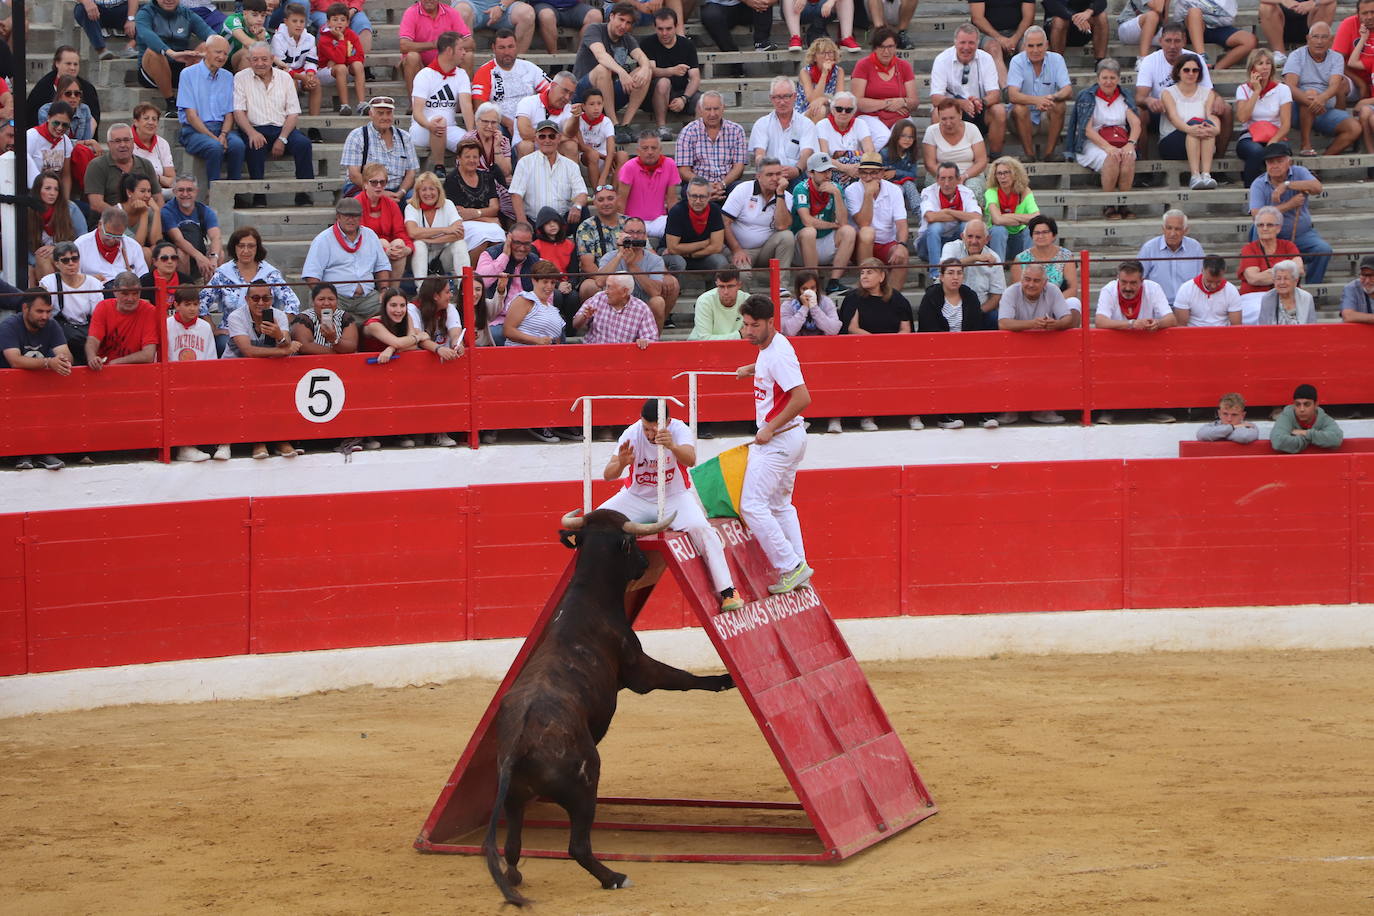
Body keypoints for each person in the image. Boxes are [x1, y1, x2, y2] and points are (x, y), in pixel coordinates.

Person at [600, 399, 741, 611]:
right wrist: (621, 463)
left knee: (701, 528)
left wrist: (672, 445)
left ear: (667, 422)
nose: (648, 434)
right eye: (646, 428)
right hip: (636, 498)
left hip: (675, 497)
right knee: (597, 521)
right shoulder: (632, 432)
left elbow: (691, 460)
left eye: (654, 429)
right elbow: (607, 475)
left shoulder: (679, 429)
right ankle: (597, 590)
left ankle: (728, 591)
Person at [736, 294, 813, 595]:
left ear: (771, 322)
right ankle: (799, 566)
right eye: (745, 325)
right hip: (791, 437)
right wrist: (751, 369)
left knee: (752, 505)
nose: (749, 331)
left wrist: (769, 427)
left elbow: (803, 398)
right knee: (780, 506)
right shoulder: (771, 346)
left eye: (755, 325)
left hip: (779, 440)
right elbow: (774, 369)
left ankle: (792, 567)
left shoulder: (776, 353)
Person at [916, 259, 996, 429]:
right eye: (951, 273)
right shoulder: (931, 297)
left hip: (967, 349)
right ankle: (946, 415)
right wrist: (950, 348)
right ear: (941, 276)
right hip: (937, 350)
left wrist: (966, 348)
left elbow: (976, 328)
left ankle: (984, 414)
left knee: (984, 364)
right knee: (945, 367)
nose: (955, 277)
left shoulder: (970, 296)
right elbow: (928, 328)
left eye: (959, 273)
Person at [1134, 21, 1233, 158]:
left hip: (1193, 109)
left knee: (1226, 108)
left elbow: (1208, 91)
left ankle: (1218, 161)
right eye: (1168, 41)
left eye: (1177, 41)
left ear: (1184, 41)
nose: (1172, 46)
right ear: (1161, 41)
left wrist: (1218, 99)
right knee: (1140, 112)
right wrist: (1149, 100)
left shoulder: (1195, 59)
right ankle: (1144, 164)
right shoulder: (1150, 61)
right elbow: (1139, 97)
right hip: (1162, 111)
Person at [1, 291, 72, 471]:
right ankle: (25, 453)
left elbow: (67, 356)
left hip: (38, 392)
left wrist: (61, 360)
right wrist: (49, 363)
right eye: (40, 311)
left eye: (48, 311)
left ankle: (42, 453)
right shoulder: (9, 326)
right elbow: (15, 361)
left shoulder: (52, 325)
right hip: (9, 393)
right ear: (25, 308)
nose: (45, 316)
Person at [233, 43, 316, 196]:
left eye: (264, 59)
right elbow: (238, 111)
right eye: (255, 59)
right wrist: (251, 133)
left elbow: (293, 113)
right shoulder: (240, 78)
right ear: (249, 60)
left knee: (304, 144)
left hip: (283, 128)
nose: (259, 63)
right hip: (255, 127)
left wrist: (282, 138)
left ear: (272, 59)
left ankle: (304, 193)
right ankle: (259, 196)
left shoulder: (285, 78)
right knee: (254, 145)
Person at [201, 226, 299, 352]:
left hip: (266, 332)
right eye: (241, 246)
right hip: (230, 332)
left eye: (251, 246)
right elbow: (201, 302)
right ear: (234, 247)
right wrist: (213, 328)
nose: (246, 250)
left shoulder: (270, 274)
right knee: (222, 344)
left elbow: (293, 303)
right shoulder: (222, 274)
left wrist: (279, 328)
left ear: (257, 248)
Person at [1246, 143, 1331, 286]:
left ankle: (1311, 291)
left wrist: (1287, 185)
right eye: (1270, 162)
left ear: (1289, 162)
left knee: (1323, 250)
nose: (1274, 165)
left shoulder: (1299, 172)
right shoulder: (1259, 183)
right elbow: (1256, 215)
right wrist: (1289, 205)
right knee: (1257, 229)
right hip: (1273, 236)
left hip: (1301, 235)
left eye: (1279, 161)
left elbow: (1317, 187)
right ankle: (1263, 285)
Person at [301, 198, 392, 320]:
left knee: (393, 308)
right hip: (337, 297)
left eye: (355, 216)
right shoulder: (323, 239)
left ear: (360, 217)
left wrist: (384, 290)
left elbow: (382, 266)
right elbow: (311, 275)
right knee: (326, 312)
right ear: (338, 216)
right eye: (346, 216)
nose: (351, 219)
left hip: (368, 297)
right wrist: (326, 297)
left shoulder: (370, 235)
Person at [1074, 59, 1141, 219]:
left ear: (1118, 79)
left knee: (1128, 156)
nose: (1108, 82)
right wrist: (1107, 147)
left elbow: (1136, 123)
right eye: (1104, 78)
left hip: (1120, 140)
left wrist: (1131, 144)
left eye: (1112, 78)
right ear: (1098, 79)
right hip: (1093, 142)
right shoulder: (1088, 96)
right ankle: (1108, 204)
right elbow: (1087, 130)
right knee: (1111, 157)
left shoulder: (1124, 96)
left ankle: (1123, 203)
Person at [1283, 22, 1362, 156]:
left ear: (1331, 40)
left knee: (1354, 128)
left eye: (1324, 37)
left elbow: (1335, 85)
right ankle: (1305, 144)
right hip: (1298, 110)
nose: (1319, 41)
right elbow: (1289, 86)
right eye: (1316, 37)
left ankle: (1325, 159)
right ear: (1308, 38)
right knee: (1310, 94)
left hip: (1326, 110)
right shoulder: (1296, 55)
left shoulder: (1336, 58)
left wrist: (1321, 99)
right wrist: (1313, 102)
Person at [574, 3, 652, 137]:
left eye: (628, 23)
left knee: (646, 71)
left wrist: (645, 67)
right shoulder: (595, 29)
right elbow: (601, 55)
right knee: (603, 69)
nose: (623, 26)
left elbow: (641, 56)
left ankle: (625, 125)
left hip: (607, 95)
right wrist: (622, 72)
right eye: (621, 20)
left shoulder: (626, 38)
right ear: (611, 16)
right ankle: (614, 124)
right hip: (584, 92)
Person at [929, 23, 1007, 157]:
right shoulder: (942, 59)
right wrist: (960, 103)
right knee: (937, 112)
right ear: (955, 43)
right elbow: (936, 98)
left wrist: (981, 102)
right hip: (953, 110)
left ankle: (995, 158)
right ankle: (946, 158)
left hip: (979, 109)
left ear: (977, 44)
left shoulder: (986, 58)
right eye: (962, 42)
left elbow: (995, 94)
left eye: (971, 43)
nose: (966, 47)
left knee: (999, 110)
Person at [176, 36, 244, 187]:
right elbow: (191, 115)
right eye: (218, 52)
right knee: (215, 147)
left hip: (222, 128)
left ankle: (234, 192)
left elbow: (229, 113)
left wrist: (224, 134)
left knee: (238, 145)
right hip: (195, 130)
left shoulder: (227, 76)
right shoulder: (188, 74)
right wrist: (214, 137)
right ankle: (213, 193)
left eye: (225, 54)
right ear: (206, 51)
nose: (222, 57)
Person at [791, 152, 856, 298]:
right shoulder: (801, 188)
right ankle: (813, 284)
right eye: (822, 171)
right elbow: (807, 221)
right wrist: (833, 225)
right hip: (802, 247)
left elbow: (843, 222)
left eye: (829, 170)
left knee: (848, 231)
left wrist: (838, 196)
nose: (827, 175)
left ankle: (834, 282)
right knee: (809, 231)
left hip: (824, 242)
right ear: (810, 173)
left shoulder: (835, 188)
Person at [723, 158, 796, 283]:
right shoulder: (743, 190)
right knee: (743, 276)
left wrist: (779, 194)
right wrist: (736, 250)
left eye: (778, 174)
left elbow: (782, 225)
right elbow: (725, 222)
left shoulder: (785, 196)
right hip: (740, 248)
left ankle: (781, 288)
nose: (775, 178)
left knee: (787, 236)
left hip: (766, 249)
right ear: (758, 176)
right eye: (769, 175)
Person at [409, 30, 473, 173]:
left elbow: (466, 106)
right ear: (449, 51)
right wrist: (429, 125)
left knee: (472, 145)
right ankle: (439, 166)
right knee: (440, 122)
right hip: (422, 128)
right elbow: (417, 113)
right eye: (461, 49)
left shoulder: (461, 74)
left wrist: (471, 134)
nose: (464, 52)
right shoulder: (425, 75)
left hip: (449, 128)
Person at [595, 217, 677, 328]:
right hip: (614, 307)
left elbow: (656, 292)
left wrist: (632, 265)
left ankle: (653, 341)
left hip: (643, 309)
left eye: (639, 232)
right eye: (630, 232)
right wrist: (620, 254)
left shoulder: (655, 260)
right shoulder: (610, 257)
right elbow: (599, 282)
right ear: (622, 234)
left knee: (658, 302)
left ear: (645, 236)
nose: (635, 236)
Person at [1005, 26, 1071, 163]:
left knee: (1059, 106)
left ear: (1047, 45)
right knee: (1019, 108)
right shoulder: (1017, 61)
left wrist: (1052, 98)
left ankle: (1049, 153)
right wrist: (1037, 101)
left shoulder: (1057, 59)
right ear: (1024, 46)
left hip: (1045, 115)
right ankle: (1029, 155)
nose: (1035, 50)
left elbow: (1067, 90)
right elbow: (1012, 95)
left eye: (1039, 45)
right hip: (1020, 119)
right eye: (1031, 46)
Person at [136, 0, 213, 116]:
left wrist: (202, 54)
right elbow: (147, 35)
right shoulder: (145, 13)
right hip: (152, 71)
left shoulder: (187, 13)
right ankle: (171, 103)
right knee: (153, 51)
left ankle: (196, 99)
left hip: (181, 67)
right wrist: (170, 53)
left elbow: (210, 34)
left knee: (207, 46)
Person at [509, 118, 589, 226]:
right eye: (542, 136)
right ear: (536, 138)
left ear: (559, 138)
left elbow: (582, 193)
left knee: (583, 210)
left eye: (552, 136)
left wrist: (577, 206)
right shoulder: (525, 163)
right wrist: (522, 222)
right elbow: (516, 194)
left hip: (563, 222)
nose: (547, 140)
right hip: (536, 222)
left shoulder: (571, 166)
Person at [1159, 53, 1220, 190]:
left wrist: (1216, 129)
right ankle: (1194, 176)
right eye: (1186, 70)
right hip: (1172, 141)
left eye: (1195, 70)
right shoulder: (1167, 93)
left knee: (1207, 126)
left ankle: (1206, 175)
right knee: (1196, 125)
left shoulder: (1208, 92)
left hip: (1199, 139)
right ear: (1178, 72)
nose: (1191, 73)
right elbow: (1174, 118)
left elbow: (1211, 115)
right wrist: (1190, 129)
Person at [470, 29, 549, 135]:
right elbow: (480, 106)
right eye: (501, 48)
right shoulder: (484, 71)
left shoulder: (530, 68)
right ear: (493, 48)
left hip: (530, 121)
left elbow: (550, 92)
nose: (507, 52)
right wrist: (507, 122)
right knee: (492, 128)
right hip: (501, 124)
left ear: (516, 46)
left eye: (510, 47)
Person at [340, 96, 419, 199]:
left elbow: (411, 173)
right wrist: (381, 193)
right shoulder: (357, 136)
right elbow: (354, 175)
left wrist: (401, 192)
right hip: (365, 187)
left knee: (415, 199)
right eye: (380, 113)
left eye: (389, 113)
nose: (385, 117)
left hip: (397, 191)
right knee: (362, 200)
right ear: (371, 114)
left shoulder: (405, 137)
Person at [851, 28, 918, 149]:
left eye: (890, 46)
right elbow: (858, 102)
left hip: (898, 115)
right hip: (870, 115)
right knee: (884, 137)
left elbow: (914, 102)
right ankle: (866, 163)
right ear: (875, 48)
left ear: (896, 46)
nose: (886, 51)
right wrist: (887, 103)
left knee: (905, 138)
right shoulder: (863, 65)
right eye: (882, 47)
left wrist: (902, 101)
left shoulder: (904, 66)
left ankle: (899, 167)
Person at [1235, 48, 1293, 186]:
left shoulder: (1282, 89)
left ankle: (1280, 193)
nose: (1265, 67)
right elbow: (1242, 118)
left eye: (1268, 63)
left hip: (1276, 134)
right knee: (1256, 152)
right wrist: (1256, 91)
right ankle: (1250, 193)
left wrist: (1272, 142)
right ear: (1252, 67)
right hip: (1250, 136)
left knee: (1276, 152)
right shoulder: (1243, 89)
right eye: (1260, 63)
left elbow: (1285, 125)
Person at [675, 92, 747, 202]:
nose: (712, 114)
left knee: (742, 190)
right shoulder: (688, 132)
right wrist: (706, 186)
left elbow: (739, 167)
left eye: (716, 109)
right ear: (700, 109)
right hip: (698, 185)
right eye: (708, 109)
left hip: (726, 185)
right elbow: (684, 170)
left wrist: (722, 185)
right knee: (689, 191)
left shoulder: (736, 130)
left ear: (723, 108)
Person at [39, 241, 103, 365]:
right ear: (57, 264)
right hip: (60, 332)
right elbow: (45, 313)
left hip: (87, 332)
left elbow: (98, 316)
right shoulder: (48, 282)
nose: (71, 264)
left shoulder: (93, 283)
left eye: (75, 259)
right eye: (65, 260)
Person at [476, 222, 540, 345]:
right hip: (498, 318)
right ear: (508, 239)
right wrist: (504, 256)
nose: (522, 248)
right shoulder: (490, 254)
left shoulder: (534, 259)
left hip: (528, 319)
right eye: (517, 243)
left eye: (526, 244)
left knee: (557, 329)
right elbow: (481, 282)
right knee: (496, 334)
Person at [640, 9, 700, 139]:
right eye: (660, 29)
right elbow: (650, 71)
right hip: (653, 94)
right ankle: (662, 127)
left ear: (676, 27)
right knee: (663, 82)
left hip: (680, 93)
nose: (664, 33)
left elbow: (695, 77)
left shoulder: (687, 45)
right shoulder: (648, 43)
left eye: (668, 28)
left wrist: (684, 98)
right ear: (654, 27)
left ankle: (699, 136)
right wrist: (671, 71)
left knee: (705, 101)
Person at [1239, 204, 1304, 323]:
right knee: (1262, 311)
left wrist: (1269, 273)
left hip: (1286, 295)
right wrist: (1285, 274)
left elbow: (1299, 270)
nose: (1264, 228)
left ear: (1278, 228)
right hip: (1255, 297)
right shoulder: (1249, 249)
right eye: (1260, 225)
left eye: (1269, 225)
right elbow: (1254, 279)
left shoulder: (1288, 246)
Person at [915, 160, 978, 282]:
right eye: (943, 179)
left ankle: (964, 270)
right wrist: (962, 215)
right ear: (937, 179)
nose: (946, 183)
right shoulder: (928, 191)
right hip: (927, 245)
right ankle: (936, 274)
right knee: (935, 227)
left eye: (951, 178)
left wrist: (949, 212)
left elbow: (976, 217)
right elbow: (931, 217)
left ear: (958, 179)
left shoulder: (966, 192)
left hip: (954, 242)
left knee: (967, 226)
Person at [445, 139, 508, 260]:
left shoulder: (486, 176)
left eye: (475, 157)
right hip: (465, 225)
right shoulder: (452, 179)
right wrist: (488, 218)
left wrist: (475, 213)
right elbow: (459, 214)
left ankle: (493, 273)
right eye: (467, 156)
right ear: (459, 158)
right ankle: (472, 274)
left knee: (498, 237)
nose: (472, 160)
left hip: (486, 222)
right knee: (482, 238)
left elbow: (495, 208)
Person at [403, 0, 480, 96]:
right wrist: (433, 45)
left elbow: (470, 43)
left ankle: (464, 101)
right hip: (422, 64)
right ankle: (414, 104)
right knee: (412, 57)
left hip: (449, 62)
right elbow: (404, 46)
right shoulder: (411, 12)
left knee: (468, 56)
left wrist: (448, 46)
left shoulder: (451, 12)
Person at [85, 271, 160, 370]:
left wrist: (116, 362)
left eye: (135, 293)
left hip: (136, 371)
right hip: (103, 370)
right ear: (115, 291)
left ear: (140, 292)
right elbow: (93, 339)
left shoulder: (150, 311)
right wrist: (92, 358)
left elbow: (148, 354)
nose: (130, 298)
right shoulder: (103, 307)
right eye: (125, 293)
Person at [939, 219, 1004, 330]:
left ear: (987, 239)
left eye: (978, 237)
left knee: (995, 317)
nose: (973, 241)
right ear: (962, 237)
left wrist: (977, 312)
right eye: (969, 236)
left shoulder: (994, 258)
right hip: (947, 308)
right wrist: (975, 258)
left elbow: (997, 295)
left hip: (979, 311)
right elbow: (944, 267)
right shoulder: (950, 247)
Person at [83, 124, 161, 217]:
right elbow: (96, 204)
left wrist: (157, 218)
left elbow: (158, 198)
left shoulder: (146, 164)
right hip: (109, 222)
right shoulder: (97, 166)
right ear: (109, 144)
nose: (123, 145)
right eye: (117, 141)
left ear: (133, 142)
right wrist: (124, 219)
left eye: (126, 140)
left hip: (142, 218)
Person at [750, 77, 818, 183]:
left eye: (786, 96)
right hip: (769, 176)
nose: (782, 102)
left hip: (797, 175)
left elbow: (807, 153)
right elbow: (759, 154)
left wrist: (797, 170)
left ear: (795, 96)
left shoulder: (806, 124)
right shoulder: (761, 124)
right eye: (777, 97)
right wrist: (772, 171)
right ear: (771, 98)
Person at [356, 162, 415, 278]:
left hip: (390, 249)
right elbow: (360, 237)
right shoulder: (357, 203)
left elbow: (400, 232)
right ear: (365, 184)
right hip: (362, 249)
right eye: (374, 182)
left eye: (382, 182)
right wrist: (383, 249)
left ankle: (393, 291)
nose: (378, 186)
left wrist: (407, 249)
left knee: (399, 244)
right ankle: (384, 289)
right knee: (382, 242)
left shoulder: (391, 205)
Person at [405, 170, 468, 279]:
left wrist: (429, 240)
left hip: (442, 257)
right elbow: (412, 232)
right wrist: (446, 230)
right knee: (419, 244)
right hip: (416, 257)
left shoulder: (448, 204)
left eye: (432, 189)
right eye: (424, 189)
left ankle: (465, 288)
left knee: (460, 244)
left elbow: (459, 234)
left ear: (438, 191)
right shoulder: (411, 207)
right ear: (418, 192)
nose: (428, 193)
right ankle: (421, 289)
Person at [1010, 215, 1080, 313]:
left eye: (1045, 232)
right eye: (1037, 233)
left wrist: (1052, 304)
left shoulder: (1066, 256)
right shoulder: (1020, 259)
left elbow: (1072, 289)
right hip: (1029, 306)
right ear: (1031, 236)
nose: (1041, 236)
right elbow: (1018, 290)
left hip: (1058, 305)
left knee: (1074, 302)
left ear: (1054, 235)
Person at [27, 171, 87, 285]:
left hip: (67, 257)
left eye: (56, 189)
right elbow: (22, 245)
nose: (52, 193)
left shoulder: (71, 209)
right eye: (48, 188)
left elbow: (83, 239)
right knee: (34, 267)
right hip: (36, 260)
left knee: (43, 259)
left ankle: (53, 299)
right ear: (38, 190)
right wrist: (33, 263)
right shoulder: (28, 212)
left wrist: (57, 248)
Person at [922, 100, 988, 199]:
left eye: (952, 118)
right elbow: (930, 164)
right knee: (938, 190)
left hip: (970, 174)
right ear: (939, 117)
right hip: (940, 174)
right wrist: (948, 178)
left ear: (960, 115)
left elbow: (981, 161)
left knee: (972, 189)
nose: (948, 123)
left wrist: (964, 176)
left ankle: (972, 214)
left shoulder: (972, 129)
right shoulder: (931, 131)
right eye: (944, 119)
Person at [1138, 209, 1205, 308]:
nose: (1173, 233)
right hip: (1158, 306)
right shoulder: (1149, 248)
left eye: (1177, 229)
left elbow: (1202, 278)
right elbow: (1139, 278)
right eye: (1169, 228)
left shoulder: (1195, 247)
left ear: (1185, 230)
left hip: (1189, 306)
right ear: (1163, 229)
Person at [663, 177, 730, 274]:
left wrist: (691, 254)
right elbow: (672, 248)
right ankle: (675, 289)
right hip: (672, 255)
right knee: (678, 262)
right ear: (687, 195)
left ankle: (714, 289)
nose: (698, 201)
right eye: (694, 196)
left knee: (720, 261)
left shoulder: (715, 210)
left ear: (709, 196)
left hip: (700, 255)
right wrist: (704, 243)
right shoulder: (677, 211)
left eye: (702, 197)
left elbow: (716, 247)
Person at [161, 174, 221, 281]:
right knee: (182, 254)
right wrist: (199, 256)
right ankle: (186, 288)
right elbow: (178, 240)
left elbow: (216, 236)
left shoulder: (205, 211)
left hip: (198, 247)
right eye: (180, 190)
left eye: (189, 190)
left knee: (220, 253)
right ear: (174, 192)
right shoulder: (167, 211)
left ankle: (211, 288)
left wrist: (213, 257)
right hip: (176, 251)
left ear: (196, 192)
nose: (185, 194)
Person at [617, 132, 676, 239]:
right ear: (638, 151)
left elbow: (672, 200)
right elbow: (621, 201)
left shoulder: (670, 164)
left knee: (677, 226)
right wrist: (620, 229)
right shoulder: (629, 167)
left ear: (660, 150)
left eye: (654, 148)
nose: (650, 152)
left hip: (659, 221)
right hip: (633, 221)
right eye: (645, 148)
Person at [573, 272, 658, 346]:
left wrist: (644, 341)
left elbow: (651, 338)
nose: (606, 291)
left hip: (624, 358)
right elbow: (575, 325)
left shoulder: (641, 309)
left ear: (624, 292)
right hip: (595, 354)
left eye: (610, 287)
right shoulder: (599, 298)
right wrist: (584, 316)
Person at [814, 91, 876, 189]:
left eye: (848, 110)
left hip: (858, 170)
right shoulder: (822, 125)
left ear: (853, 112)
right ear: (832, 110)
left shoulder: (860, 124)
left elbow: (871, 152)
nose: (843, 113)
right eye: (839, 109)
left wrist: (856, 169)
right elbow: (823, 157)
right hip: (831, 170)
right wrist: (846, 169)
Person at [1174, 0, 1257, 72]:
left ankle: (1216, 69)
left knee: (1249, 40)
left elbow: (1228, 16)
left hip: (1218, 27)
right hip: (1193, 27)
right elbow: (1180, 14)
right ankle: (1201, 58)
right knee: (1194, 12)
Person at [317, 2, 369, 115]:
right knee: (340, 67)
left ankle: (362, 103)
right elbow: (339, 60)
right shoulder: (324, 39)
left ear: (348, 22)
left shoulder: (352, 35)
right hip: (325, 72)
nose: (339, 22)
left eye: (342, 19)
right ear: (328, 22)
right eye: (335, 19)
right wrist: (341, 39)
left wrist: (344, 61)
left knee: (358, 65)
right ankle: (344, 105)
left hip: (344, 69)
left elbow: (359, 55)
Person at [983, 156, 1038, 261]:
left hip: (1019, 240)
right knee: (999, 230)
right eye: (999, 173)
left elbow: (1037, 218)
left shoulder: (1025, 191)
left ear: (1015, 174)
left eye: (1006, 172)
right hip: (998, 242)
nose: (1003, 177)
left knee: (1031, 228)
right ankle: (998, 269)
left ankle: (1028, 269)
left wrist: (1008, 216)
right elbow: (997, 220)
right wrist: (1022, 220)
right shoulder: (991, 192)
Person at [502, 260, 566, 350]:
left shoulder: (555, 311)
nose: (549, 286)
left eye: (552, 282)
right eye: (545, 281)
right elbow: (508, 330)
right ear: (534, 281)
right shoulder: (524, 299)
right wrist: (537, 340)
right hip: (520, 355)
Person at [75, 208, 149, 285]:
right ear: (100, 225)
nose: (112, 240)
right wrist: (88, 279)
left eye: (118, 236)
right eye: (108, 235)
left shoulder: (133, 246)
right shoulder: (81, 245)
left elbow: (142, 278)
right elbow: (73, 279)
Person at [272, 3, 322, 117]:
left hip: (301, 74)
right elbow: (281, 66)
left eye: (302, 21)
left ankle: (314, 125)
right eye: (294, 21)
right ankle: (292, 121)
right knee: (291, 82)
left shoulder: (310, 38)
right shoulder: (278, 38)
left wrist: (310, 75)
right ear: (286, 21)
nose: (299, 25)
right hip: (282, 75)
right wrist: (302, 78)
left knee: (316, 83)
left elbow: (311, 61)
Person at [566, 89, 621, 189]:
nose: (596, 108)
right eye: (591, 104)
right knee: (593, 154)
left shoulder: (606, 121)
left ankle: (612, 190)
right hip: (588, 158)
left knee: (623, 155)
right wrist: (603, 157)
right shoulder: (578, 120)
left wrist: (603, 177)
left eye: (599, 104)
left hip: (606, 158)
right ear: (583, 106)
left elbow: (611, 148)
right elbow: (582, 146)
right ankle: (597, 192)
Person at [514, 70, 577, 158]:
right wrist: (559, 137)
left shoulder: (569, 109)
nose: (567, 97)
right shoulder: (528, 102)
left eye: (571, 94)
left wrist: (575, 117)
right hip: (531, 149)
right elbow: (525, 133)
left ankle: (570, 172)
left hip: (554, 150)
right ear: (553, 86)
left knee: (571, 146)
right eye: (565, 91)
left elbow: (571, 135)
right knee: (526, 146)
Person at [532, 207, 579, 323]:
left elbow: (574, 271)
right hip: (545, 284)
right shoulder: (535, 246)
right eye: (547, 223)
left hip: (566, 284)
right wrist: (557, 285)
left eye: (554, 222)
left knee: (573, 297)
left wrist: (569, 285)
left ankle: (570, 330)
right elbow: (537, 273)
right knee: (556, 296)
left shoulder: (570, 245)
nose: (552, 225)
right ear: (541, 227)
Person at [970, 0, 1035, 83]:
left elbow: (1028, 17)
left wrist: (1015, 38)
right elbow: (977, 18)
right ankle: (1006, 90)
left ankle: (1026, 89)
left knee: (1029, 49)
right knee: (993, 48)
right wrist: (999, 38)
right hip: (987, 33)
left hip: (1018, 32)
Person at [1262, 0, 1338, 69]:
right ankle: (1279, 54)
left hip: (1312, 18)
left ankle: (1314, 50)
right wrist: (1284, 1)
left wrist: (1314, 2)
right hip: (1280, 20)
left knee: (1329, 4)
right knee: (1266, 6)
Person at [1270, 383, 1344, 453]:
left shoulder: (1323, 418)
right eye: (1297, 404)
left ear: (1316, 405)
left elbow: (1336, 439)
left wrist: (1305, 433)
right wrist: (1311, 438)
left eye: (1307, 404)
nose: (1302, 409)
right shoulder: (1287, 416)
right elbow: (1278, 442)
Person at [292, 281, 360, 356]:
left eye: (331, 299)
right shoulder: (304, 318)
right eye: (321, 299)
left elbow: (351, 346)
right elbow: (304, 347)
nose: (327, 303)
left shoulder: (345, 317)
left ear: (337, 301)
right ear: (313, 302)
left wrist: (334, 340)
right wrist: (336, 353)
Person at [1173, 254, 1241, 326]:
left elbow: (1236, 325)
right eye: (1209, 281)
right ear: (1202, 270)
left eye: (1218, 282)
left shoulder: (1231, 290)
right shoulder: (1186, 289)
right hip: (1193, 333)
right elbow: (1181, 325)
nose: (1213, 286)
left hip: (1222, 334)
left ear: (1224, 272)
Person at [700, 0, 779, 63]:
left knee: (762, 1)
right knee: (711, 16)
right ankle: (734, 59)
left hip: (751, 9)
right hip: (719, 6)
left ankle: (762, 42)